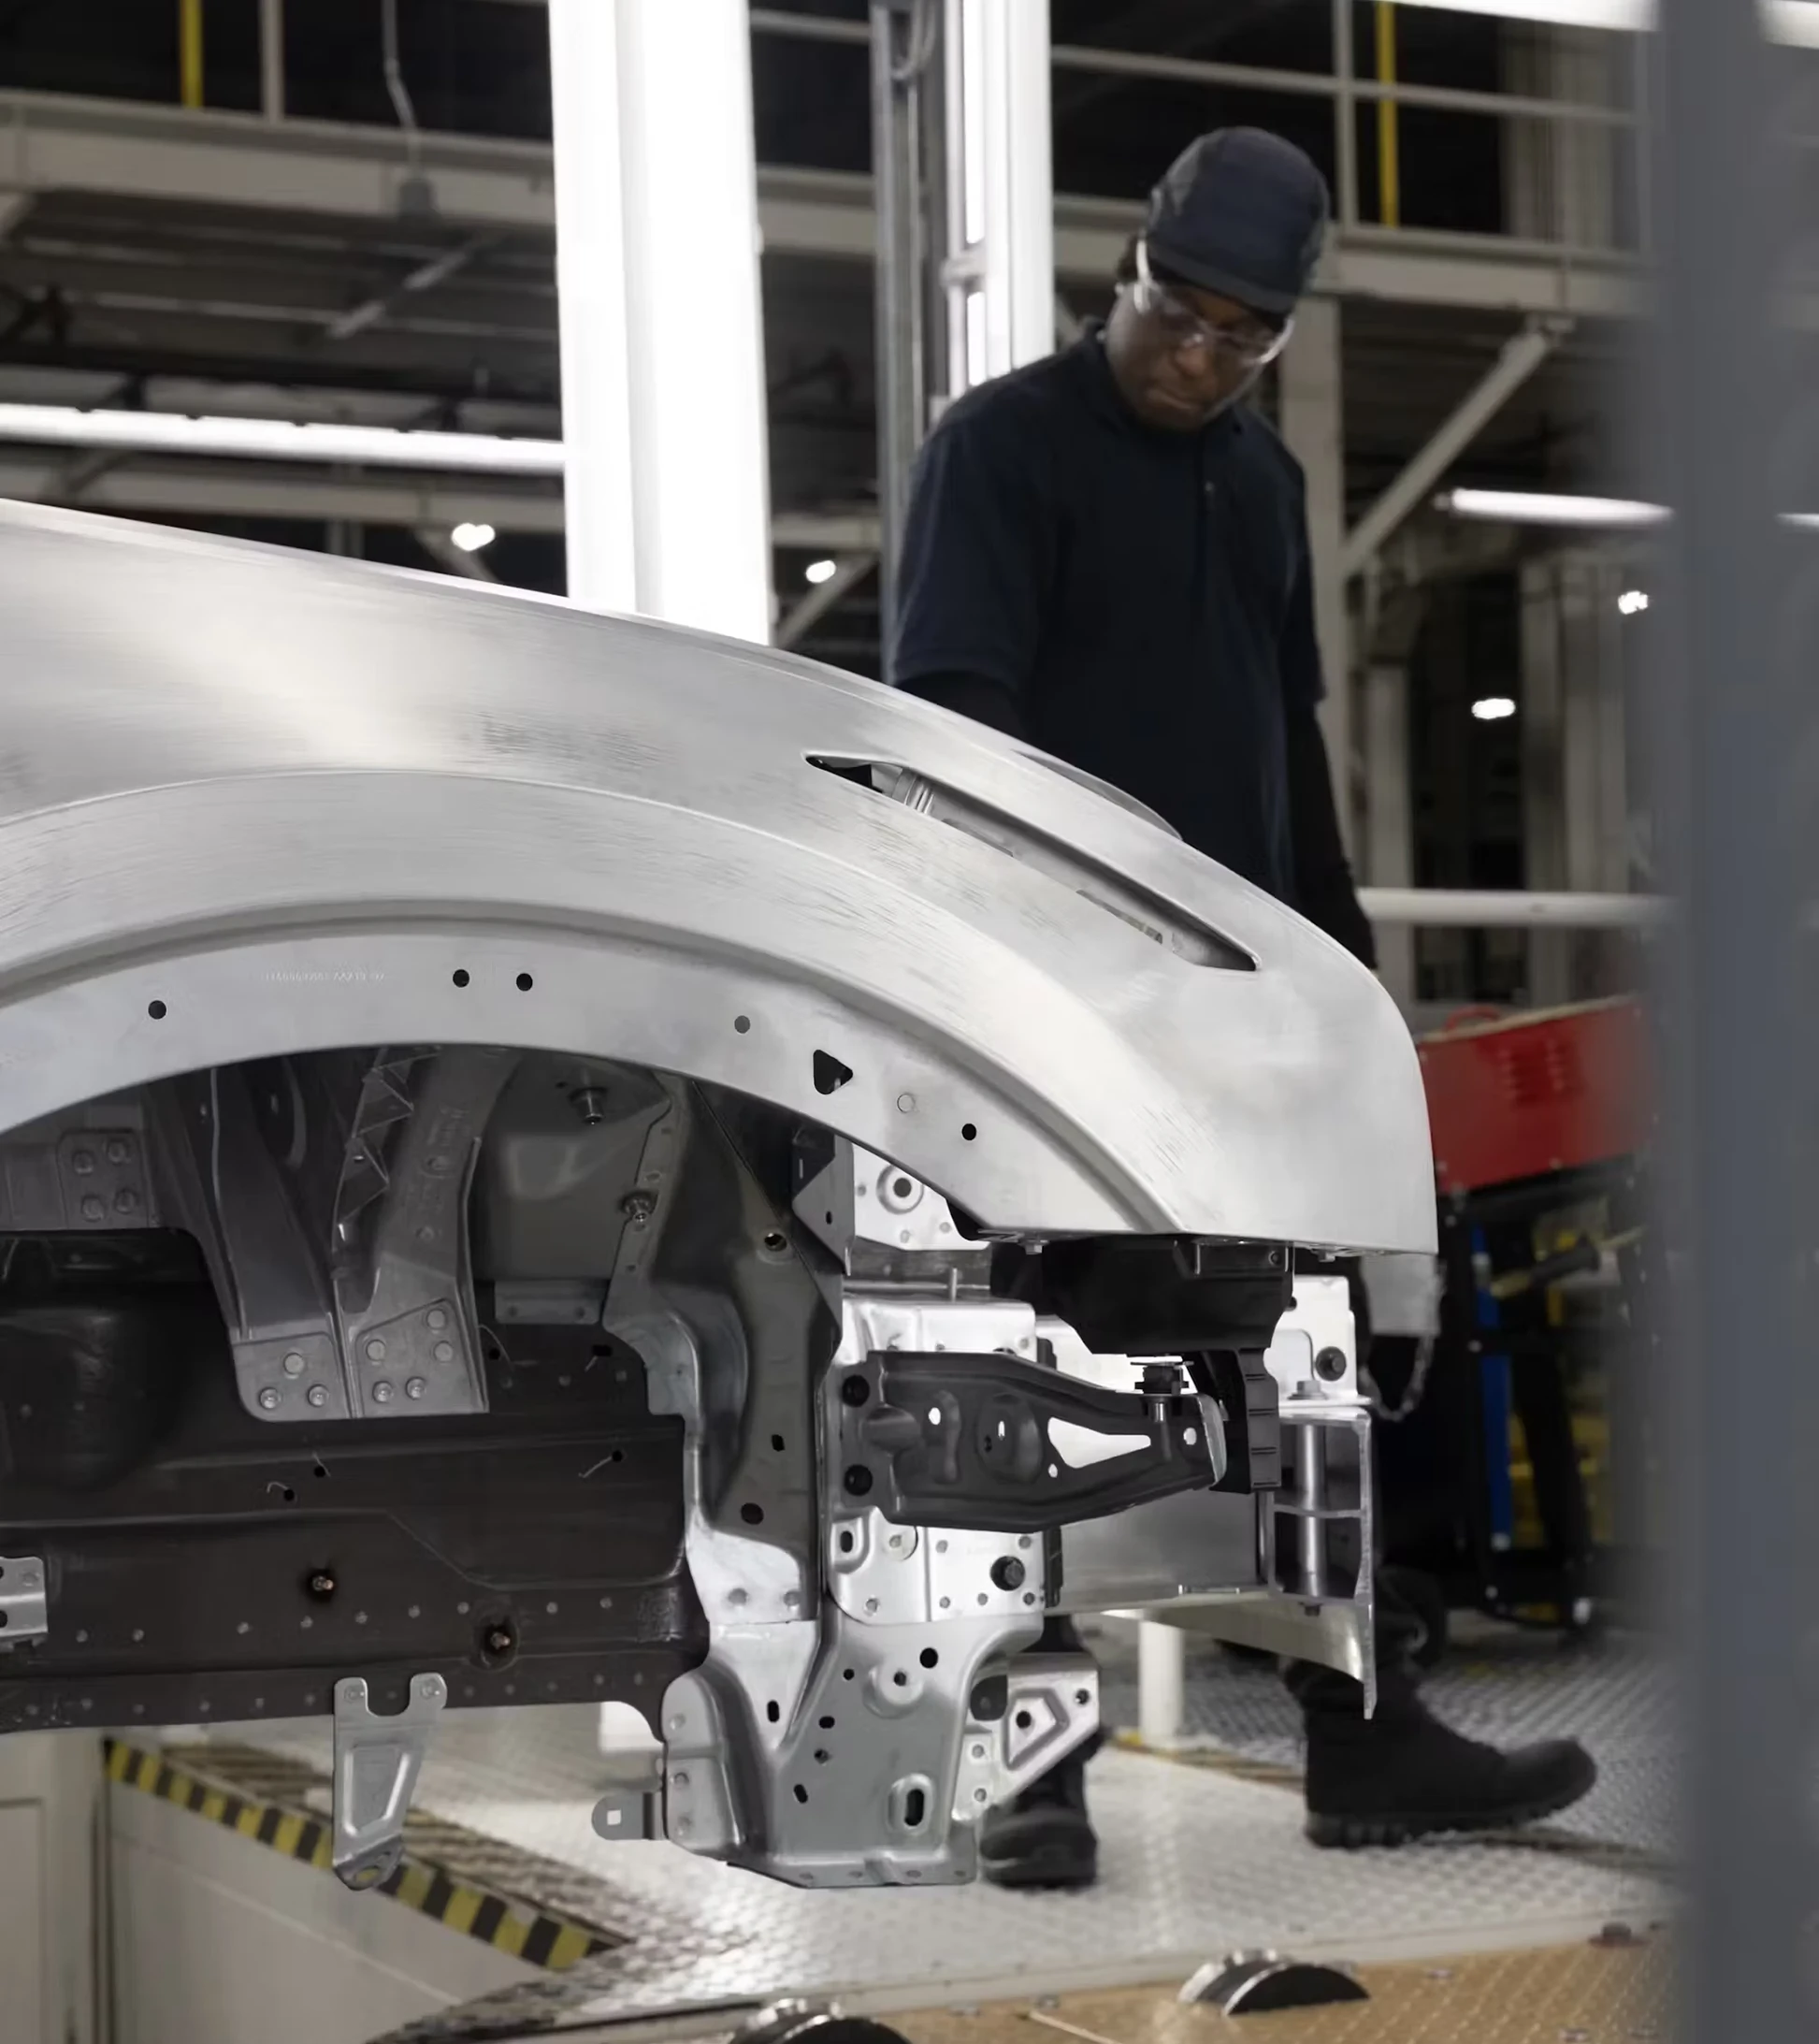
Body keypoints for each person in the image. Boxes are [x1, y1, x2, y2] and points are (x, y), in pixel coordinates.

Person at [888, 126, 1596, 1888]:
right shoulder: (1003, 453)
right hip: (1049, 1008)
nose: (1198, 358)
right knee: (1045, 1388)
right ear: (1124, 267)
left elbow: (1291, 752)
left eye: (1243, 338)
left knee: (1307, 1372)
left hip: (1236, 1010)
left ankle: (1364, 1741)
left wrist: (1346, 988)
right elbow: (948, 733)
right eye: (1176, 316)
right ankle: (1034, 1775)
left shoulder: (1265, 489)